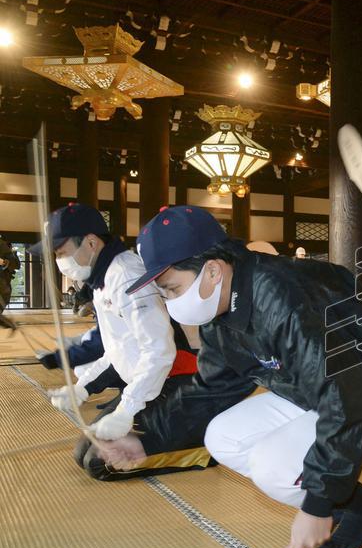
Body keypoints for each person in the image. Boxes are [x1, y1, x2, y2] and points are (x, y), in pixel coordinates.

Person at [127, 205, 362, 548]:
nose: (171, 302)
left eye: (172, 289)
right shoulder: (220, 313)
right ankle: (356, 500)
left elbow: (345, 398)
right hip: (313, 389)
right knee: (221, 438)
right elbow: (210, 391)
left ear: (211, 270)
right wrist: (143, 439)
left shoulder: (283, 296)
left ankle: (346, 502)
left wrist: (317, 506)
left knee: (275, 467)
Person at [32, 203, 244, 480]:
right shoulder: (102, 279)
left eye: (61, 252)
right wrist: (82, 389)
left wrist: (125, 410)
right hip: (148, 384)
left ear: (91, 242)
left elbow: (159, 353)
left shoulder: (126, 275)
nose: (59, 260)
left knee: (101, 463)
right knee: (84, 451)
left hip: (178, 380)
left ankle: (202, 445)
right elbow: (119, 349)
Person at [0, 233, 20, 320]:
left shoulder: (3, 245)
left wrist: (4, 262)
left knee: (5, 293)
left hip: (3, 276)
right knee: (5, 293)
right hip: (3, 278)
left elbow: (16, 265)